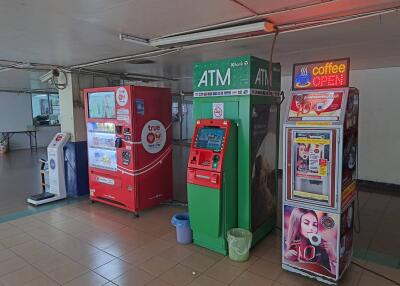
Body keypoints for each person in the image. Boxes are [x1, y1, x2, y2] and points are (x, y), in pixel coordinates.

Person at [284, 208, 337, 275]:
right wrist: (286, 258)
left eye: (315, 225)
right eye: (306, 223)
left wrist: (332, 255)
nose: (311, 228)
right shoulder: (289, 243)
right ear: (296, 223)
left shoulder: (323, 244)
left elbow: (333, 274)